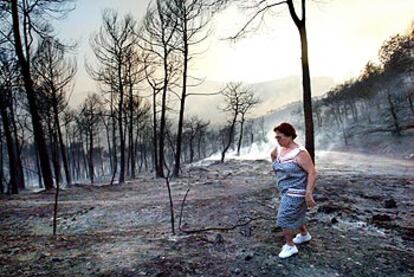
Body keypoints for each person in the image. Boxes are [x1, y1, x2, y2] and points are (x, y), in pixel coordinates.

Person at [270, 122, 317, 259]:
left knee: (284, 217)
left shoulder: (300, 153)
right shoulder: (279, 149)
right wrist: (277, 169)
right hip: (285, 189)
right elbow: (273, 156)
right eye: (276, 137)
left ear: (290, 136)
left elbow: (312, 172)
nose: (277, 140)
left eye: (280, 137)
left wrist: (309, 192)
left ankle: (290, 246)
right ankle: (304, 234)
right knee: (295, 213)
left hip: (296, 191)